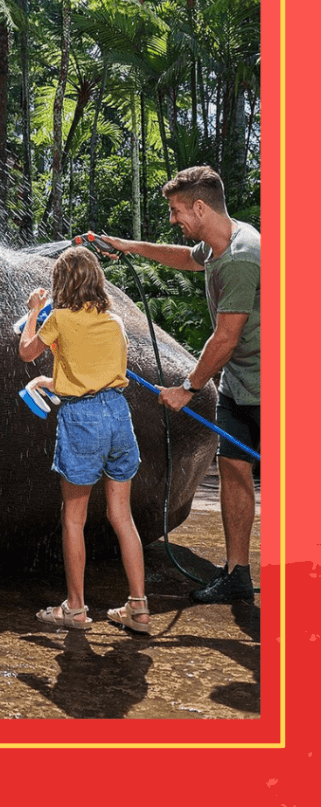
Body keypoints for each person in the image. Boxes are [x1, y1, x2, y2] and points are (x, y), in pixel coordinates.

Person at [99, 165, 260, 605]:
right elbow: (185, 258)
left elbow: (225, 337)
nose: (174, 220)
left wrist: (188, 387)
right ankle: (237, 573)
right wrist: (128, 246)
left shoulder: (244, 256)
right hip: (241, 383)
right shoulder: (216, 244)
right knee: (234, 471)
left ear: (201, 207)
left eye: (177, 211)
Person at [18, 245, 150, 634]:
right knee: (120, 516)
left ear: (61, 284)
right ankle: (139, 609)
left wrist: (31, 313)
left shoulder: (57, 318)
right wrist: (52, 380)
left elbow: (27, 352)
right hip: (118, 415)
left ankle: (75, 609)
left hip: (82, 421)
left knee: (74, 519)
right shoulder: (114, 321)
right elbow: (95, 375)